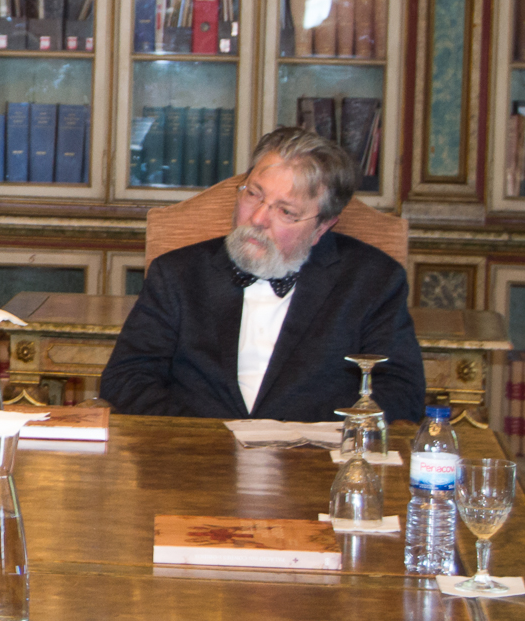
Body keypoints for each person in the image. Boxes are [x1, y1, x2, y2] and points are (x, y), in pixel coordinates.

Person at [99, 126, 426, 422]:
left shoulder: (373, 281)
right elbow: (126, 379)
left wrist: (318, 441)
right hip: (197, 457)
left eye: (285, 211)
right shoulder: (177, 274)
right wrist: (204, 438)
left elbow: (401, 392)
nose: (257, 218)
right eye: (253, 194)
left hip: (313, 462)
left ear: (322, 227)